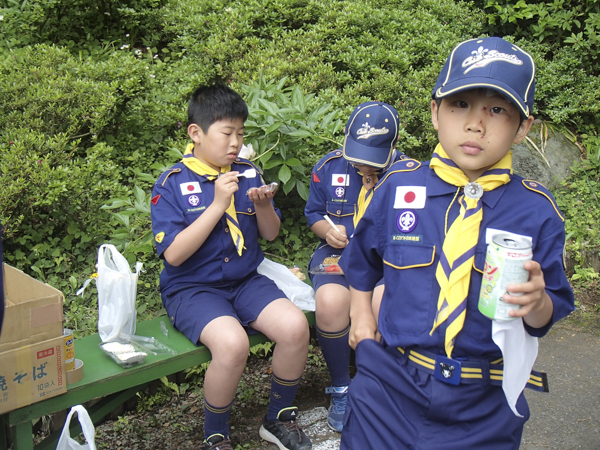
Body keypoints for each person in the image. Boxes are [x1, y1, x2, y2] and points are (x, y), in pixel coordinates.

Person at [338, 37, 575, 449]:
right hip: (389, 388)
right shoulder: (398, 188)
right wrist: (361, 317)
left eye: (497, 110)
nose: (475, 125)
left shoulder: (536, 211)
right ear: (435, 112)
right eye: (460, 104)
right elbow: (361, 263)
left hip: (484, 405)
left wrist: (537, 303)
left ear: (523, 128)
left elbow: (546, 315)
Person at [151, 84, 312, 450]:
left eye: (240, 133)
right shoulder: (172, 184)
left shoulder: (247, 173)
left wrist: (265, 206)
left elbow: (270, 235)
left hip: (245, 280)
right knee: (232, 344)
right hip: (192, 288)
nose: (235, 142)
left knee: (294, 327)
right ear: (196, 133)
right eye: (227, 133)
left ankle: (278, 419)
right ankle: (216, 437)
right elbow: (174, 255)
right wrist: (216, 204)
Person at [304, 101, 405, 432]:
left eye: (372, 157)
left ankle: (382, 388)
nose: (362, 164)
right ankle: (342, 388)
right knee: (331, 302)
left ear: (392, 147)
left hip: (387, 259)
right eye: (357, 153)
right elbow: (313, 213)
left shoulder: (408, 174)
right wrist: (329, 232)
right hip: (338, 254)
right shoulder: (329, 167)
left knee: (383, 302)